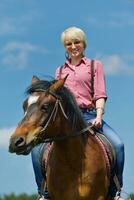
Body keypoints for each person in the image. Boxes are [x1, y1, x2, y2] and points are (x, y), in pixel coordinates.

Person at [31, 26, 125, 200]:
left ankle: (114, 191)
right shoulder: (60, 71)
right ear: (65, 46)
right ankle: (44, 193)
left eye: (77, 42)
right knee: (36, 151)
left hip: (90, 115)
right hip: (66, 119)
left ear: (83, 44)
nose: (73, 46)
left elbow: (100, 93)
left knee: (118, 145)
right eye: (68, 43)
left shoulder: (94, 65)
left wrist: (98, 116)